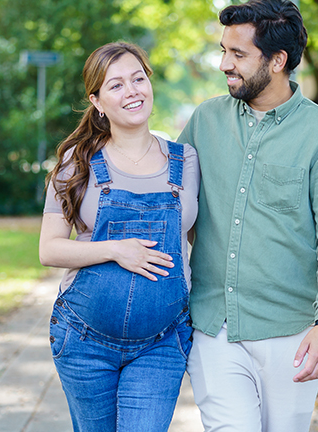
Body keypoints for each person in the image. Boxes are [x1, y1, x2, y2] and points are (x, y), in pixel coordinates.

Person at [177, 1, 318, 431]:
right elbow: (166, 198)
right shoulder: (205, 121)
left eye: (238, 55)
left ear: (278, 61)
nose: (224, 64)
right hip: (213, 326)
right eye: (224, 51)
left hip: (290, 334)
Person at [38, 41, 200, 432]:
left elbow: (198, 241)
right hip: (84, 342)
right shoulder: (76, 162)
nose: (132, 91)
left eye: (138, 78)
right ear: (97, 100)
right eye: (116, 85)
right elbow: (49, 249)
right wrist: (115, 250)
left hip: (160, 344)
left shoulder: (187, 161)